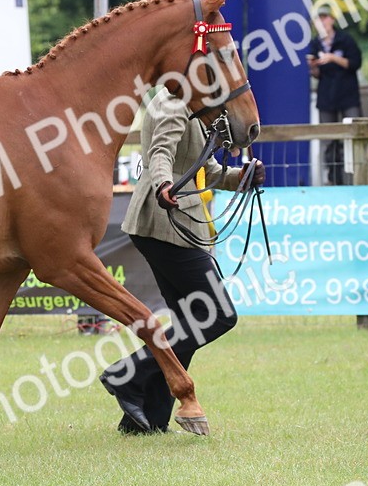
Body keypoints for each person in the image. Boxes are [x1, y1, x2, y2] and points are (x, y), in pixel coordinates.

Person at [99, 87, 264, 434]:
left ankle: (146, 420)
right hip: (165, 220)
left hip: (174, 222)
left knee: (190, 322)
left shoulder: (194, 102)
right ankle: (126, 375)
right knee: (219, 314)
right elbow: (160, 152)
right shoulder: (174, 101)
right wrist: (163, 184)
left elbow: (203, 168)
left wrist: (240, 177)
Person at [307, 5, 362, 185]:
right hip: (326, 97)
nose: (322, 22)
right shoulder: (315, 43)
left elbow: (355, 63)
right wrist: (313, 67)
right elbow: (317, 75)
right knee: (329, 140)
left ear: (332, 19)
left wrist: (333, 58)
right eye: (318, 19)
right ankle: (332, 180)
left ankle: (355, 178)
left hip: (348, 95)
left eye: (325, 17)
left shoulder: (345, 39)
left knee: (352, 137)